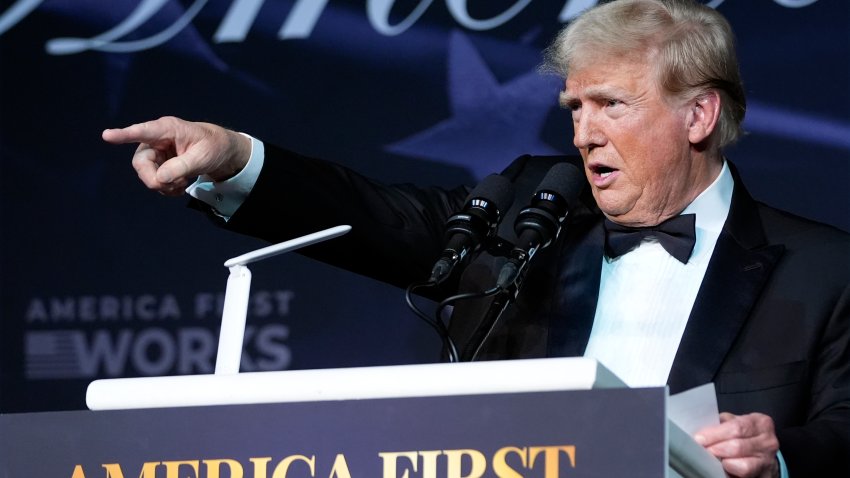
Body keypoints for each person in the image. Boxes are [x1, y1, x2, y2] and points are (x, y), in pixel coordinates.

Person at [102, 0, 850, 476]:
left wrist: (780, 456)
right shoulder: (534, 212)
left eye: (611, 105)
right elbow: (377, 216)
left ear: (698, 116)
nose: (583, 132)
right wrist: (235, 156)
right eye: (575, 107)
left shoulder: (824, 269)